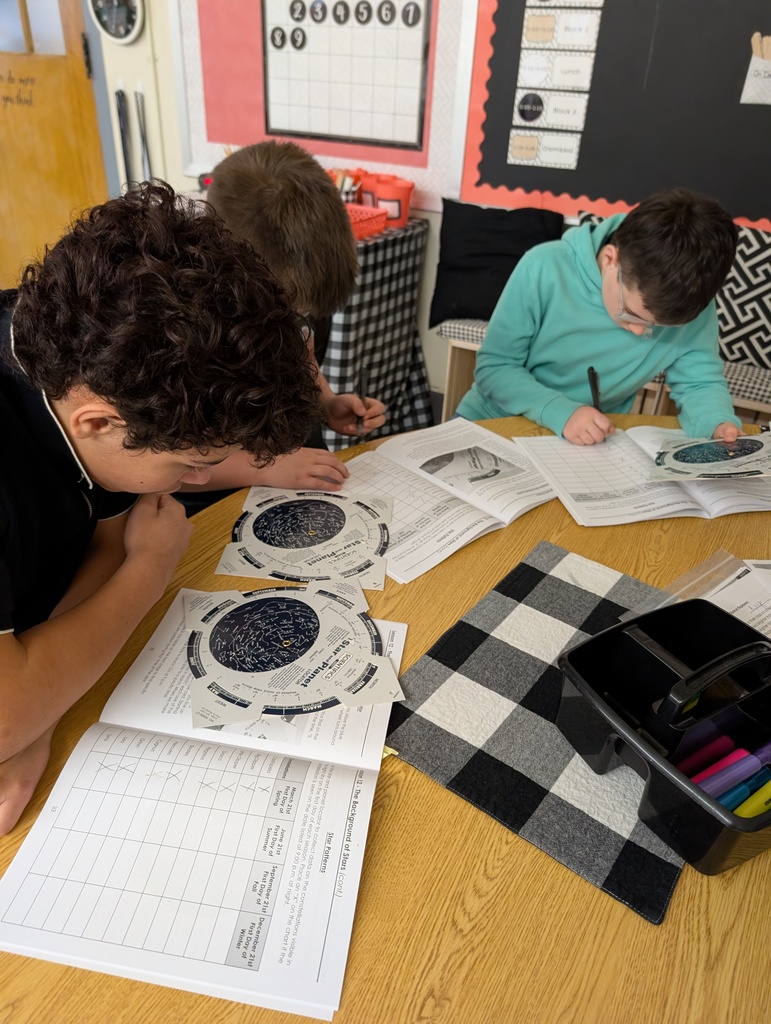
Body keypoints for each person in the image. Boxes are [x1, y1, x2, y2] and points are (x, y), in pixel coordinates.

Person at [0, 180, 322, 835]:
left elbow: (105, 542)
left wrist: (47, 702)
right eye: (189, 466)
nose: (199, 479)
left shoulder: (94, 362)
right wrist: (150, 570)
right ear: (95, 422)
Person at [178, 141, 387, 510]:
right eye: (284, 310)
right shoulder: (186, 335)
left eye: (300, 312)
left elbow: (302, 357)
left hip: (291, 479)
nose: (296, 320)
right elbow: (162, 470)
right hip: (219, 502)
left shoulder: (289, 303)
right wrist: (263, 469)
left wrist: (329, 403)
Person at [456, 188, 742, 446]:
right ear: (610, 260)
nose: (640, 332)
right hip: (491, 420)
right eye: (631, 314)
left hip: (584, 443)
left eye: (660, 327)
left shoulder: (690, 304)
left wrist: (716, 422)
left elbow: (699, 384)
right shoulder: (543, 266)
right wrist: (562, 412)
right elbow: (495, 367)